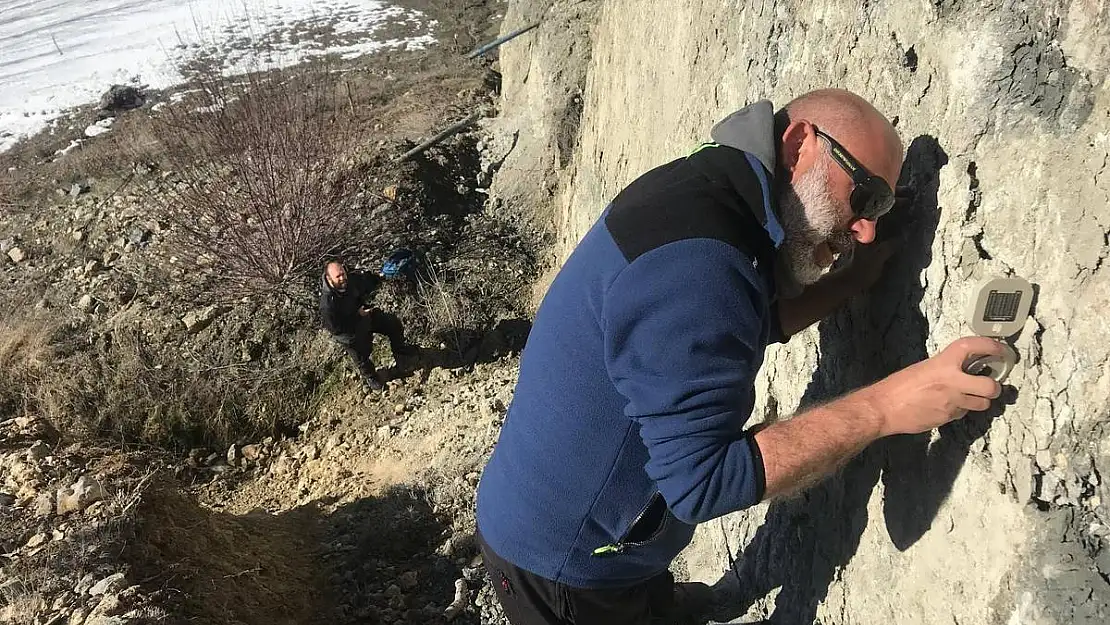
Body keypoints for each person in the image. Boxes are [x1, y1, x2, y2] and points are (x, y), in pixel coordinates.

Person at [474, 89, 1005, 625]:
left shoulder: (714, 191)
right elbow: (699, 484)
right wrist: (887, 407)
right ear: (799, 146)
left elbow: (737, 322)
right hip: (562, 567)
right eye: (864, 198)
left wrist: (849, 282)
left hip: (580, 517)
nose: (866, 229)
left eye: (880, 208)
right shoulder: (697, 264)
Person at [319, 260, 414, 391]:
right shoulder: (327, 304)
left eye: (343, 273)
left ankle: (401, 353)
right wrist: (357, 316)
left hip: (364, 315)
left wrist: (379, 277)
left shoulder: (350, 279)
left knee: (392, 324)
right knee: (362, 358)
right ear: (329, 279)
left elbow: (364, 281)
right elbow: (335, 329)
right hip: (349, 333)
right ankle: (371, 378)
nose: (342, 278)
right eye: (338, 276)